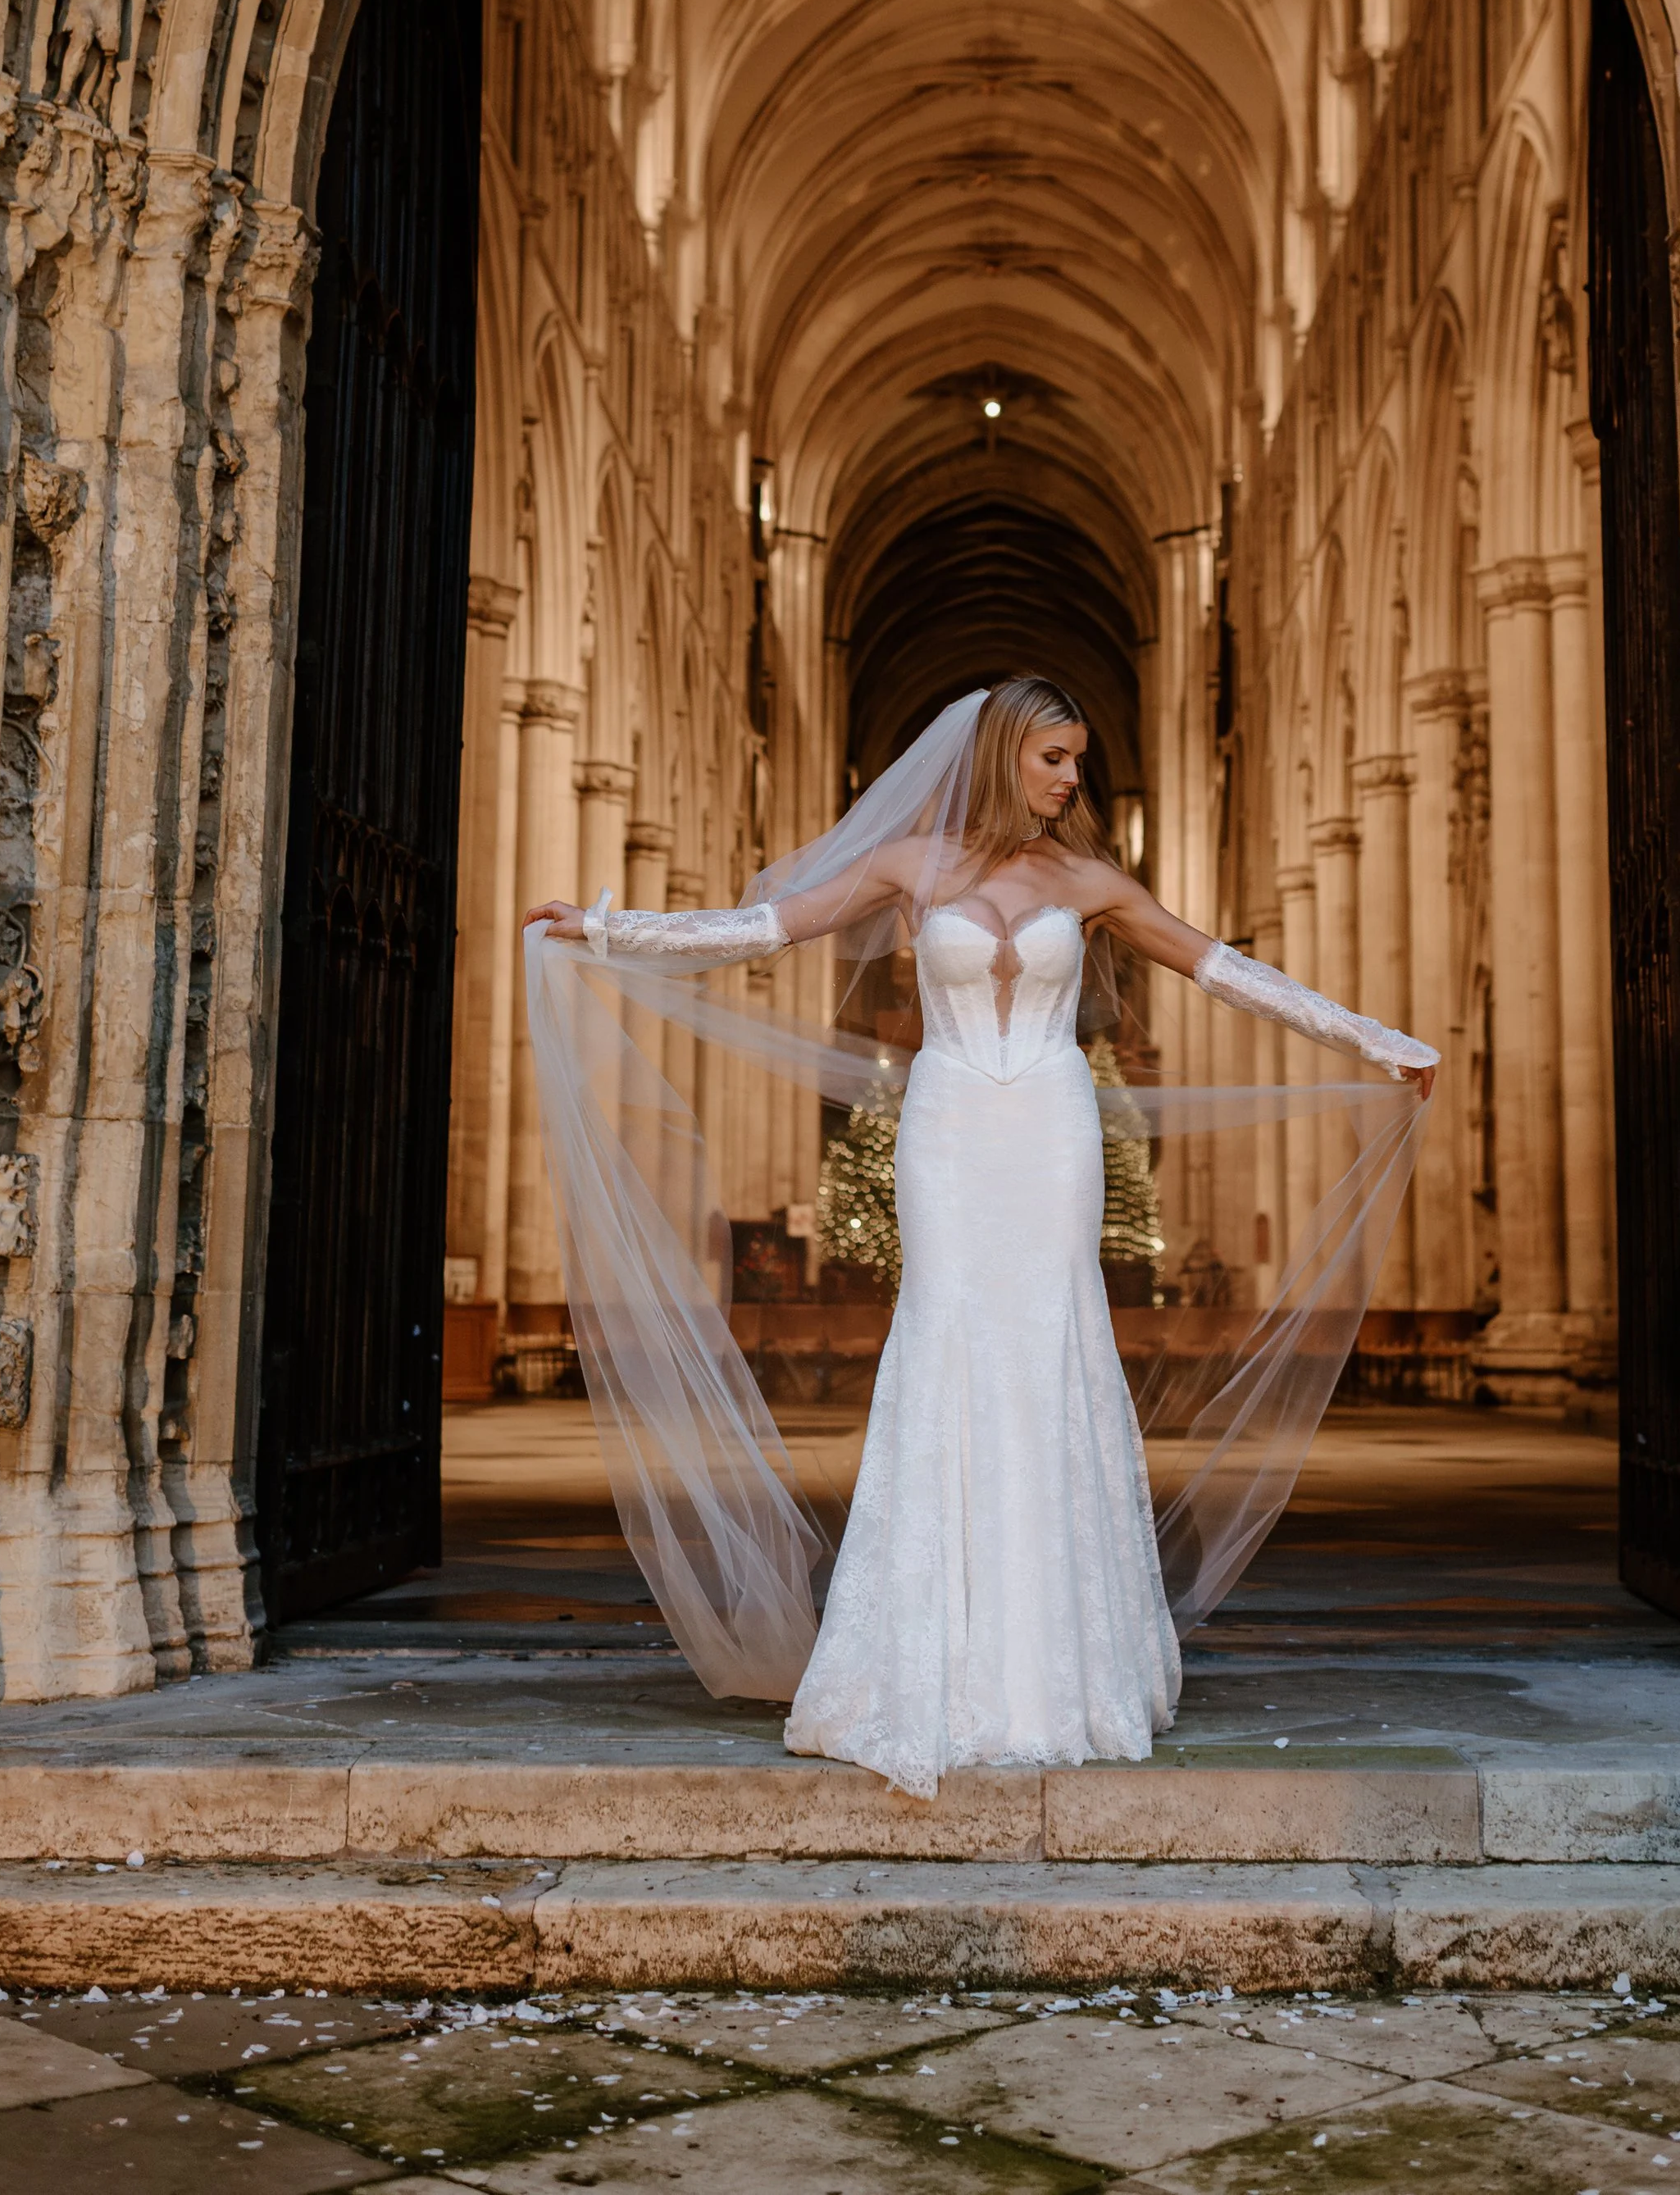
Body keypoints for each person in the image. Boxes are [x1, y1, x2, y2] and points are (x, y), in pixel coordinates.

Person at [526, 674, 1435, 1795]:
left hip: (1052, 1131)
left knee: (1052, 1347)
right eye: (1055, 756)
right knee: (949, 1336)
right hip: (948, 1129)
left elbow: (1225, 969)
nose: (1071, 779)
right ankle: (928, 1660)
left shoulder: (1091, 880)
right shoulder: (911, 864)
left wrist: (1372, 1037)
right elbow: (763, 927)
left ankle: (1060, 1668)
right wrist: (607, 928)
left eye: (1077, 761)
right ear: (1002, 752)